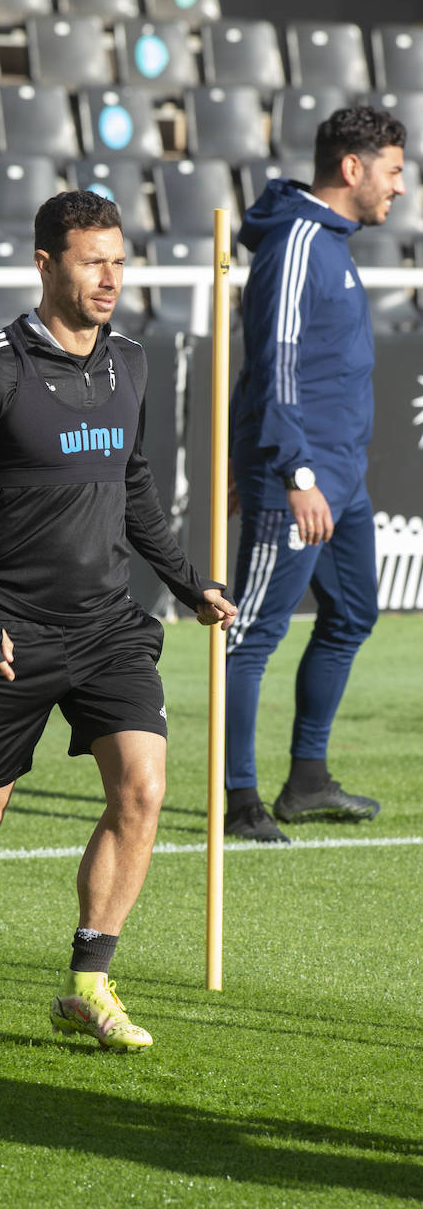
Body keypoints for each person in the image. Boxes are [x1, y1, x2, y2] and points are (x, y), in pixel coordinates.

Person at [0, 189, 236, 1050]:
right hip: (10, 632)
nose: (110, 278)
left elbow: (134, 485)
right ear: (45, 264)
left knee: (142, 789)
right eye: (93, 262)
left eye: (118, 262)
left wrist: (186, 582)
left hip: (107, 627)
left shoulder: (129, 362)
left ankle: (88, 981)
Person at [225, 105, 406, 842]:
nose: (399, 188)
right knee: (250, 635)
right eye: (393, 171)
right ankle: (240, 800)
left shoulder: (330, 241)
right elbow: (273, 363)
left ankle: (306, 781)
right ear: (352, 167)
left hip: (342, 478)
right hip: (297, 476)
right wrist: (295, 473)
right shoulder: (296, 241)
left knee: (354, 613)